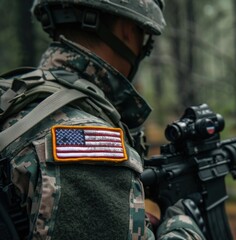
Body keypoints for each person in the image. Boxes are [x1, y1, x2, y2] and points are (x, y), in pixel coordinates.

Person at [0, 0, 206, 239]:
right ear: (127, 30)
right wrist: (182, 225)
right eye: (144, 37)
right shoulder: (87, 143)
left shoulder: (16, 97)